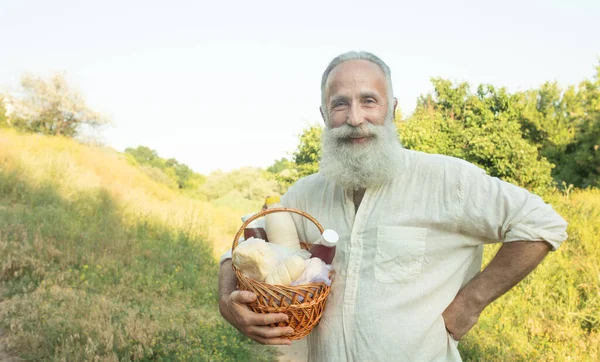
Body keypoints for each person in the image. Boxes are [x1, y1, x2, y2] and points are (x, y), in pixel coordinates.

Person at [218, 51, 568, 361]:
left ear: (393, 109)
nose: (355, 118)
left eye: (369, 101)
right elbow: (245, 244)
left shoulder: (445, 179)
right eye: (340, 104)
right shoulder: (305, 194)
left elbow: (541, 224)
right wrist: (227, 301)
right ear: (324, 114)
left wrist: (471, 303)